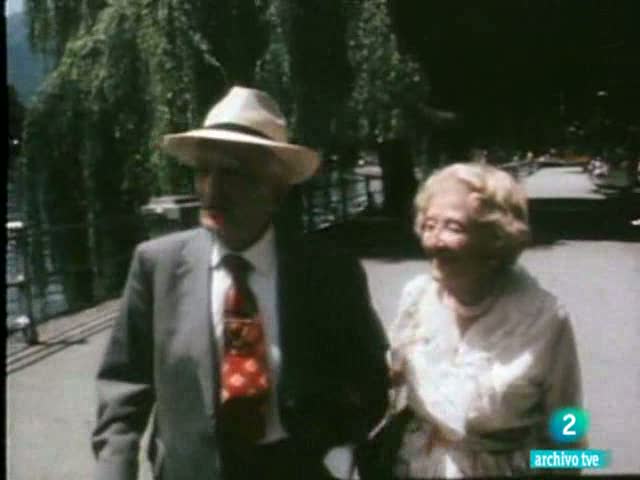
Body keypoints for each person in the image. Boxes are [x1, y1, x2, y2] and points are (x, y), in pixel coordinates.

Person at [92, 86, 389, 480]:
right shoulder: (157, 266)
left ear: (276, 188)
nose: (212, 190)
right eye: (203, 171)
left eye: (232, 173)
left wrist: (340, 451)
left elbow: (369, 380)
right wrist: (114, 470)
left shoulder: (328, 272)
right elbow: (123, 387)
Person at [387, 162, 584, 478]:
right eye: (429, 225)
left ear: (496, 239)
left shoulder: (545, 317)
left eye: (453, 227)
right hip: (420, 466)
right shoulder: (416, 298)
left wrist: (562, 466)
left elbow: (569, 426)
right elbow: (390, 384)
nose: (434, 241)